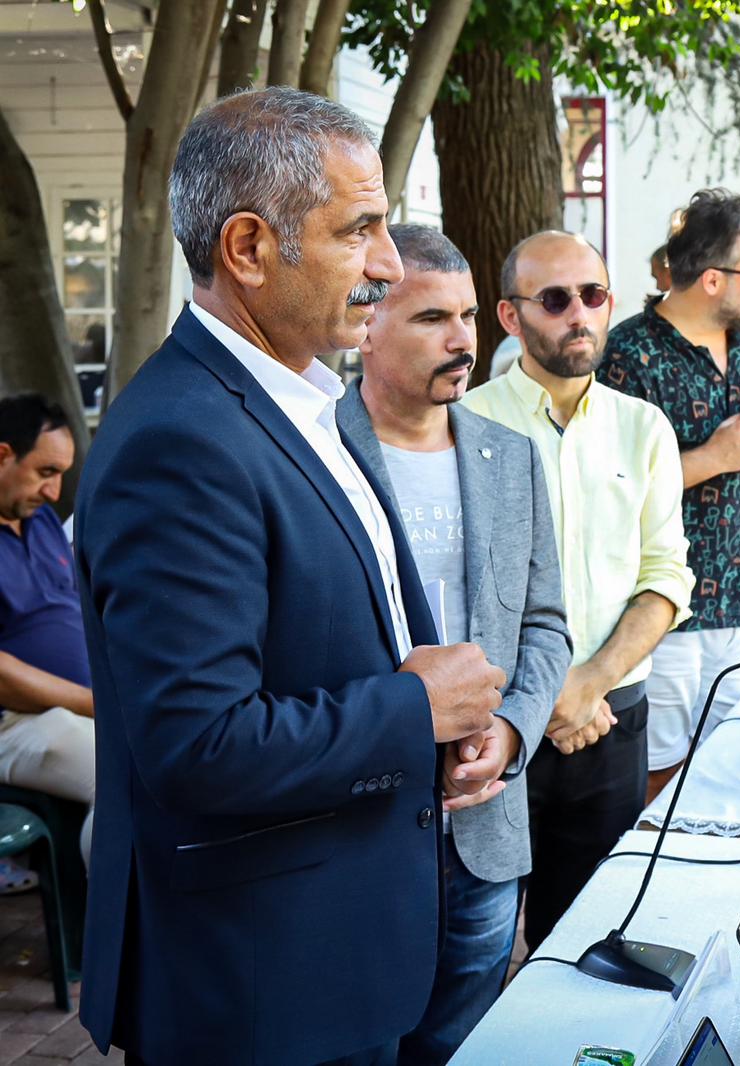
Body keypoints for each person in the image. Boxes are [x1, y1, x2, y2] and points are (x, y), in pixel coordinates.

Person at [73, 87, 507, 1065]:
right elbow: (197, 744)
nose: (389, 268)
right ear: (248, 248)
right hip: (258, 992)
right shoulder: (182, 440)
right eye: (361, 231)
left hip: (332, 959)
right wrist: (413, 711)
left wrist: (430, 741)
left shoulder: (307, 400)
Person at [335, 224, 572, 1065]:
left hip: (486, 826)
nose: (464, 339)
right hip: (356, 825)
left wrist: (510, 734)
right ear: (366, 324)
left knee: (463, 1043)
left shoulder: (512, 458)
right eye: (433, 317)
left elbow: (546, 624)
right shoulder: (315, 452)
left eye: (470, 315)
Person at [462, 230, 694, 952]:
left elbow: (666, 577)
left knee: (586, 946)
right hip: (493, 730)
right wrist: (541, 700)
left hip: (610, 719)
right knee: (481, 943)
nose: (580, 315)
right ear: (510, 316)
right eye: (556, 299)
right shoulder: (463, 425)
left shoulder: (643, 427)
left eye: (593, 296)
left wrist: (588, 684)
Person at [599, 189, 740, 802]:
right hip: (659, 616)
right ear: (712, 279)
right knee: (657, 782)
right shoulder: (628, 355)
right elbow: (611, 491)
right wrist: (714, 458)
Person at [0, 394, 94, 865]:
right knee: (130, 782)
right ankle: (108, 932)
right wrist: (96, 704)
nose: (56, 493)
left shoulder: (38, 523)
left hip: (79, 713)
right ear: (3, 455)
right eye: (45, 472)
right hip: (18, 723)